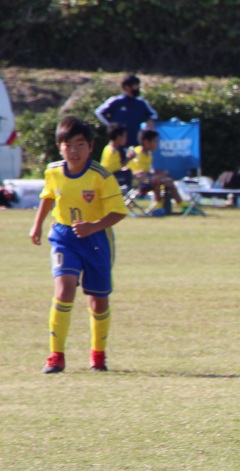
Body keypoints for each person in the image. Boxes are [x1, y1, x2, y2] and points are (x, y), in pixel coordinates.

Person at [29, 116, 127, 374]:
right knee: (63, 289)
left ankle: (98, 354)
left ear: (91, 146)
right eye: (68, 145)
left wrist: (93, 226)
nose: (74, 150)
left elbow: (119, 212)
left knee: (98, 301)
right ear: (59, 147)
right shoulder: (53, 171)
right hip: (64, 236)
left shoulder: (101, 176)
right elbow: (48, 196)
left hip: (96, 240)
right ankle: (56, 356)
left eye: (80, 144)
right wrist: (37, 225)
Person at [126, 128, 182, 215]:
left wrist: (158, 174)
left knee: (168, 181)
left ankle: (183, 205)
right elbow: (139, 173)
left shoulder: (149, 155)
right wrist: (155, 175)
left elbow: (147, 173)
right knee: (157, 179)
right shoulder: (136, 153)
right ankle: (158, 206)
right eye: (155, 141)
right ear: (146, 142)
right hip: (136, 183)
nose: (156, 144)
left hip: (146, 181)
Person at [99, 123, 131, 190]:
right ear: (118, 137)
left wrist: (128, 158)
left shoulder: (109, 148)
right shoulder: (112, 151)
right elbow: (113, 173)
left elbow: (117, 168)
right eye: (124, 136)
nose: (126, 139)